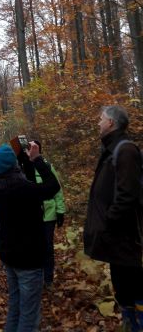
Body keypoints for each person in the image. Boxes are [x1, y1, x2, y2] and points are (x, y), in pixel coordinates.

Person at [0, 142, 60, 332]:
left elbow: (28, 181)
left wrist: (26, 161)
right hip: (29, 258)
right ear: (13, 165)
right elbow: (52, 187)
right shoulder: (22, 189)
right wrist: (37, 159)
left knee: (15, 307)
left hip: (10, 256)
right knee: (29, 314)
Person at [84, 105, 143, 331]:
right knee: (122, 285)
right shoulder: (111, 148)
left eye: (101, 119)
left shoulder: (125, 149)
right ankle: (129, 322)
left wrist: (109, 220)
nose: (98, 122)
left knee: (134, 284)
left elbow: (127, 194)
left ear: (111, 123)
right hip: (116, 237)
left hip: (125, 236)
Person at [33, 140, 65, 289]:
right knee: (35, 246)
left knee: (47, 247)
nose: (33, 150)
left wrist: (60, 211)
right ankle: (36, 277)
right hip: (32, 214)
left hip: (49, 213)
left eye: (36, 147)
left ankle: (48, 279)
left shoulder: (48, 167)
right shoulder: (24, 167)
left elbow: (57, 191)